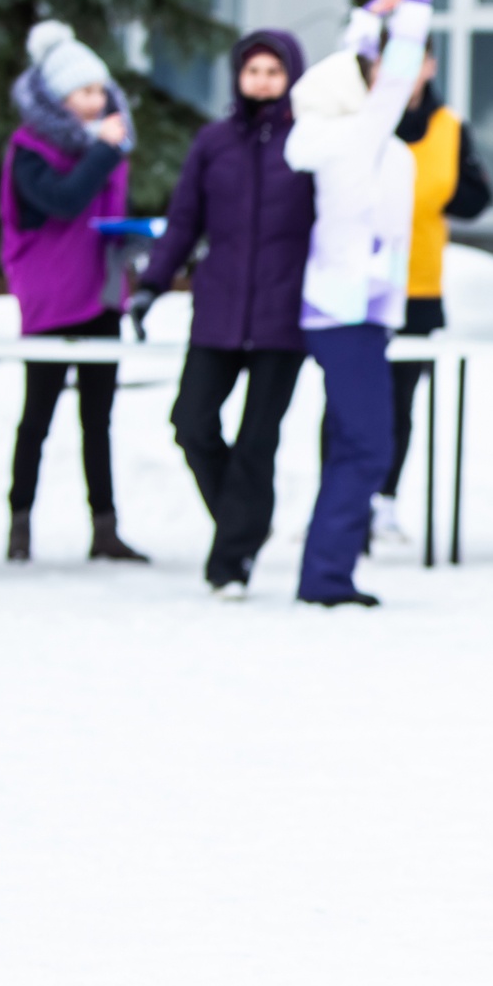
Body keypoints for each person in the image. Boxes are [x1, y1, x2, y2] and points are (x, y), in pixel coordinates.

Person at [132, 30, 314, 595]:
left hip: (284, 314)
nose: (262, 82)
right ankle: (246, 523)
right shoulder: (213, 142)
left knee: (258, 440)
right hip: (219, 309)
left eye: (273, 72)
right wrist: (153, 282)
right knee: (191, 423)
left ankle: (230, 562)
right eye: (252, 71)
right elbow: (184, 219)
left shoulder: (309, 143)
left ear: (291, 78)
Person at [283, 0, 435, 607]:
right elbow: (390, 74)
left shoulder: (337, 134)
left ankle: (326, 572)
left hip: (347, 307)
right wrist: (415, 9)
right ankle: (326, 575)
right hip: (349, 310)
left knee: (355, 442)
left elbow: (355, 62)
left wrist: (374, 12)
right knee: (369, 446)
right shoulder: (356, 135)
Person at [0, 20, 146, 565]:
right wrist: (103, 152)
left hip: (100, 293)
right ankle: (20, 523)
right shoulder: (31, 150)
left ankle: (105, 528)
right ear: (58, 98)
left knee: (98, 418)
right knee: (37, 415)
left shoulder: (105, 144)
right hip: (52, 298)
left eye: (100, 89)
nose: (97, 100)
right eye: (84, 91)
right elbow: (62, 201)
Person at [374, 48, 493, 546]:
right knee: (348, 401)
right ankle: (340, 501)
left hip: (419, 287)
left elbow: (476, 198)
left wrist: (445, 190)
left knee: (399, 402)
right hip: (360, 285)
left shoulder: (449, 127)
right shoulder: (364, 120)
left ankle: (383, 502)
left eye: (415, 57)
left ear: (431, 66)